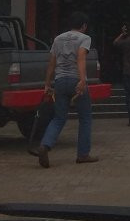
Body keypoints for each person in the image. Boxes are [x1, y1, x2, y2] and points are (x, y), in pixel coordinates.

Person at [36, 11, 98, 168]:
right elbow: (81, 57)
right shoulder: (84, 38)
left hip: (60, 81)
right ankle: (83, 154)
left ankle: (45, 145)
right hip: (76, 80)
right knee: (85, 118)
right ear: (84, 26)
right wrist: (82, 80)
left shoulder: (58, 39)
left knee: (58, 118)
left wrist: (47, 83)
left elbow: (52, 62)